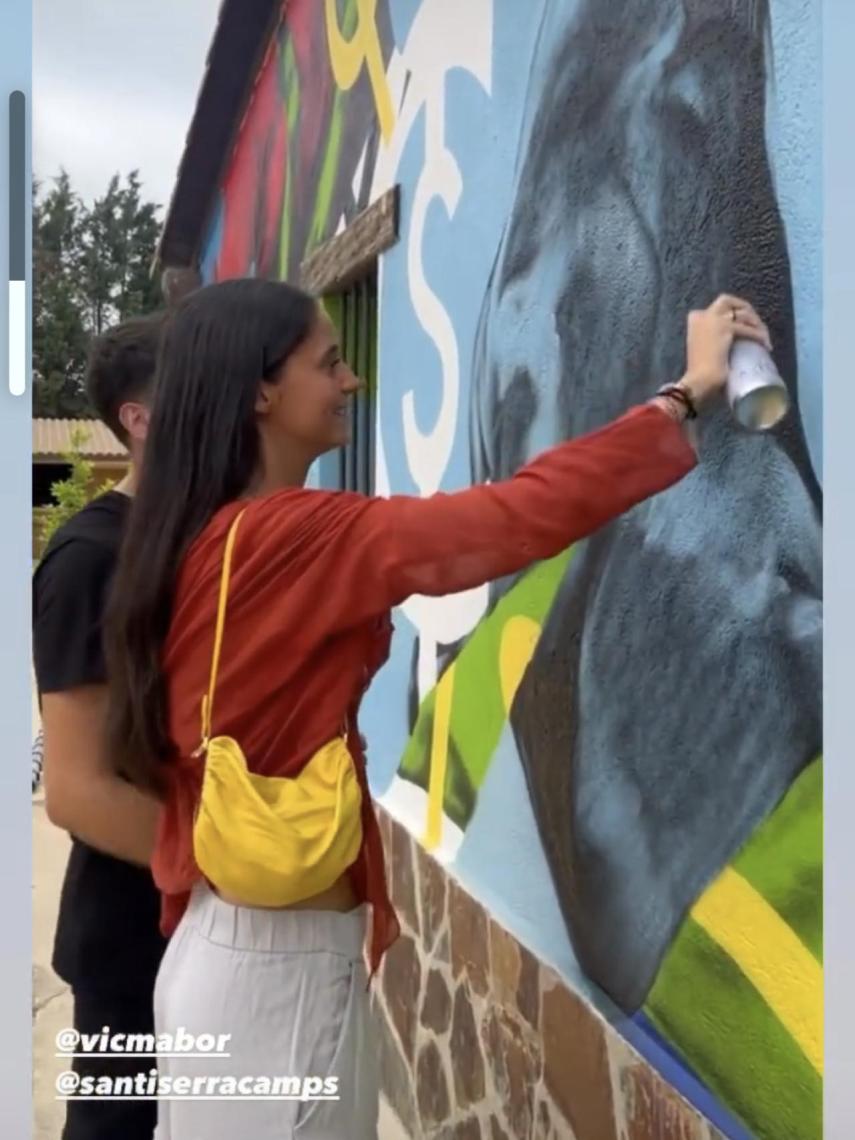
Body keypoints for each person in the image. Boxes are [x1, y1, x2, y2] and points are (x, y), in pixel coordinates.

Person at [102, 279, 769, 1140]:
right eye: (329, 362)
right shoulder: (297, 535)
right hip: (276, 980)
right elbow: (515, 516)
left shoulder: (202, 532)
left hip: (237, 951)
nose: (350, 382)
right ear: (260, 391)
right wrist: (683, 394)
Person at [33, 314, 167, 1140]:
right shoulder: (89, 560)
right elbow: (76, 793)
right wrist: (234, 865)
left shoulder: (205, 540)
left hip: (219, 936)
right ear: (138, 419)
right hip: (129, 937)